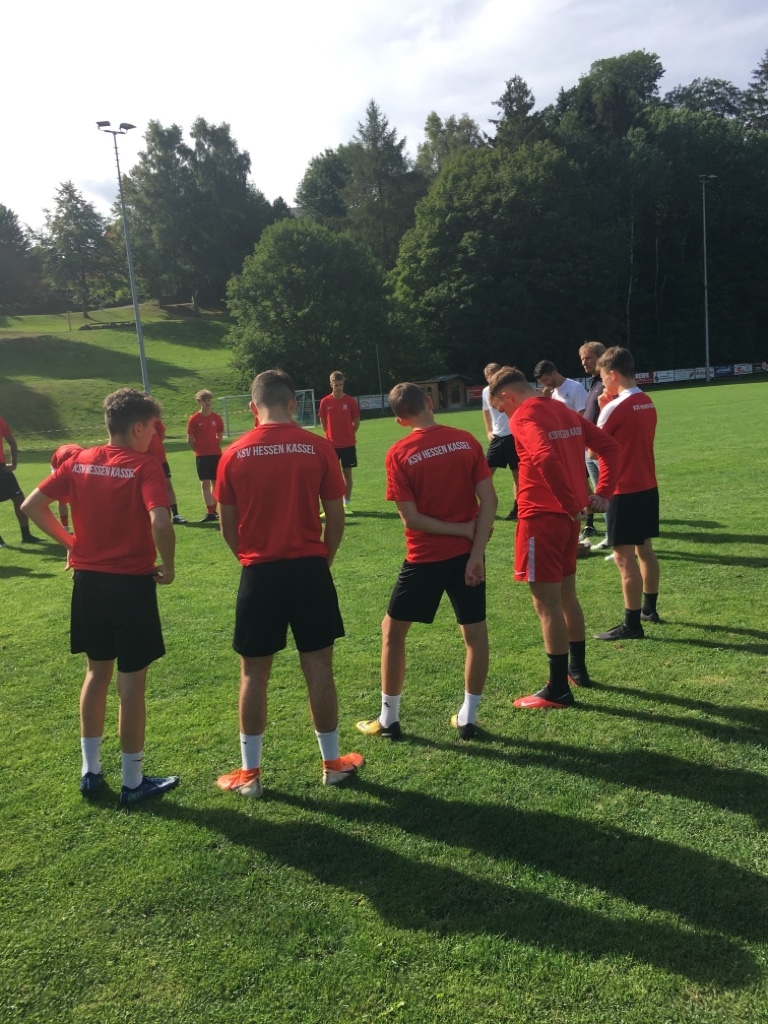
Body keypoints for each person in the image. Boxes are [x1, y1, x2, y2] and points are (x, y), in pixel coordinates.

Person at [21, 389, 179, 806]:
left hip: (88, 583)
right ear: (138, 427)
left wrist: (71, 543)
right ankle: (133, 780)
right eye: (153, 428)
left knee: (96, 673)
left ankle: (90, 772)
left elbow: (32, 506)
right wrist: (169, 564)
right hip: (131, 585)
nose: (155, 436)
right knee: (132, 681)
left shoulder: (80, 460)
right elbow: (160, 520)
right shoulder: (144, 466)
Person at [214, 370, 364, 796]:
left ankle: (250, 776)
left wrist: (251, 559)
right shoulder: (318, 447)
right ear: (295, 403)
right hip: (310, 570)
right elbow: (336, 519)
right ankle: (332, 765)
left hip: (259, 572)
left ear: (252, 407)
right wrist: (321, 561)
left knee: (253, 673)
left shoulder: (233, 453)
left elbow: (227, 527)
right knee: (318, 665)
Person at [356, 382, 497, 740]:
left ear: (400, 420)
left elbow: (412, 519)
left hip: (425, 558)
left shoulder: (399, 453)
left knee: (393, 633)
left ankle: (389, 719)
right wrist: (474, 551)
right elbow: (490, 501)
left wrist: (462, 533)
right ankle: (468, 718)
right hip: (467, 556)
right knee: (475, 634)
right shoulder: (465, 440)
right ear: (430, 403)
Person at [488, 367, 620, 708]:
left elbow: (544, 456)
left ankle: (558, 688)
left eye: (501, 408)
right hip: (567, 520)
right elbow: (610, 447)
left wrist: (570, 503)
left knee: (546, 604)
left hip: (541, 519)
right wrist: (601, 493)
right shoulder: (562, 409)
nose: (504, 416)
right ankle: (577, 670)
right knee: (566, 596)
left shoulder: (524, 416)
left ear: (507, 396)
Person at [593, 346, 661, 640]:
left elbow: (592, 452)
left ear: (612, 375)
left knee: (623, 558)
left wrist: (603, 407)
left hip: (623, 489)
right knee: (645, 549)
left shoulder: (613, 407)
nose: (602, 385)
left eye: (602, 378)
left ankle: (631, 625)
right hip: (648, 485)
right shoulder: (647, 401)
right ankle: (649, 609)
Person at [481, 362, 519, 520]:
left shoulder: (508, 389)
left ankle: (518, 508)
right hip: (497, 437)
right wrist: (489, 430)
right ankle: (482, 507)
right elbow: (485, 411)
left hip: (513, 435)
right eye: (490, 376)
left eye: (496, 374)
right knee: (483, 474)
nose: (493, 378)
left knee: (518, 474)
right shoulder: (485, 392)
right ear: (487, 378)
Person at [318, 371, 360, 514]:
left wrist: (349, 434)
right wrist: (328, 435)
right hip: (331, 445)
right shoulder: (325, 402)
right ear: (331, 384)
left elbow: (356, 421)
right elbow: (323, 420)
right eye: (336, 385)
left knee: (347, 473)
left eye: (341, 385)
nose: (338, 388)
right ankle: (330, 506)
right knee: (330, 476)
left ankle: (346, 504)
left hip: (348, 444)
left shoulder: (350, 401)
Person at [578, 341, 607, 542]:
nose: (584, 363)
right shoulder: (594, 383)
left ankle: (619, 538)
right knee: (600, 494)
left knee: (608, 495)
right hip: (590, 450)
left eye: (588, 358)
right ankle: (612, 536)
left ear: (600, 358)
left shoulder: (606, 383)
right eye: (582, 359)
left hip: (602, 450)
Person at [0, 414, 38, 546]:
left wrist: (14, 464)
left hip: (2, 468)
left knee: (19, 499)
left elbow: (11, 441)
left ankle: (26, 535)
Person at [187, 389, 224, 522]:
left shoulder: (216, 418)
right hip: (202, 455)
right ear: (199, 402)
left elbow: (220, 433)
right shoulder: (194, 419)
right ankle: (210, 512)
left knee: (216, 482)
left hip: (216, 454)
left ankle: (214, 510)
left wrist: (215, 444)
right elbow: (190, 439)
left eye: (209, 400)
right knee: (205, 483)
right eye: (204, 400)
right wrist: (197, 450)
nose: (208, 403)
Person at [148, 418, 187, 524]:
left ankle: (176, 514)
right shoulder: (136, 420)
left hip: (161, 459)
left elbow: (162, 435)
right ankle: (153, 516)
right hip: (147, 460)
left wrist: (156, 446)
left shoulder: (154, 419)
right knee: (151, 487)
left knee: (168, 485)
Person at [49, 443, 83, 531]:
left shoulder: (85, 459)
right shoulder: (63, 461)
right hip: (58, 463)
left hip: (72, 454)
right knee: (62, 498)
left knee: (79, 498)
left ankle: (81, 527)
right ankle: (65, 527)